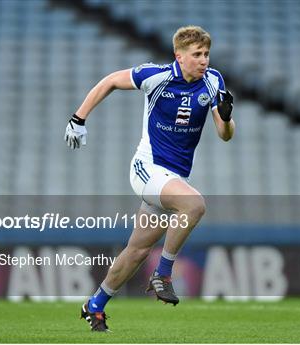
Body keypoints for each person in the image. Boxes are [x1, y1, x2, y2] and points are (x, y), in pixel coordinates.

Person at [64, 26, 235, 332]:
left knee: (136, 252)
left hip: (173, 178)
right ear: (178, 56)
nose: (204, 60)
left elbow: (225, 135)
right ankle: (164, 274)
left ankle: (94, 305)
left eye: (206, 54)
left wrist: (226, 115)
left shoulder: (213, 81)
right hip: (147, 169)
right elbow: (111, 81)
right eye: (197, 55)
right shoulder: (155, 75)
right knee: (194, 205)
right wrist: (79, 118)